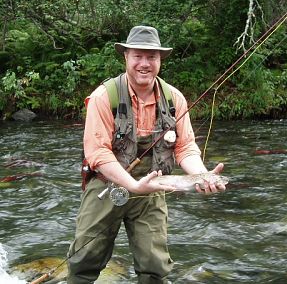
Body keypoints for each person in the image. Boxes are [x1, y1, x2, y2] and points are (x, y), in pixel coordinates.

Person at [67, 25, 225, 284]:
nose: (144, 63)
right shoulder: (103, 97)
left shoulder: (174, 99)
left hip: (152, 189)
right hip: (106, 187)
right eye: (137, 56)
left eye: (151, 57)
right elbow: (97, 153)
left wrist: (201, 175)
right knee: (84, 260)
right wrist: (132, 185)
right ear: (126, 57)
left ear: (160, 60)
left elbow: (185, 147)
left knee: (155, 267)